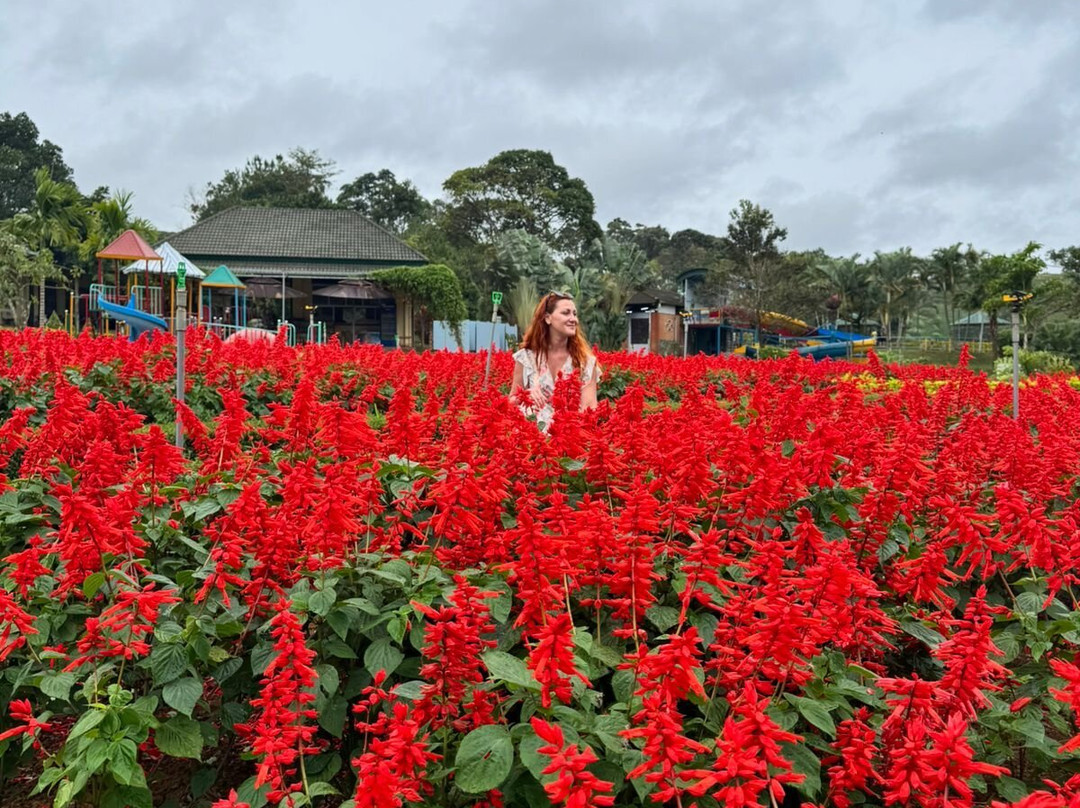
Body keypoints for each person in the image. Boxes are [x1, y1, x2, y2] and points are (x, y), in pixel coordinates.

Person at [511, 291, 600, 430]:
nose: (573, 319)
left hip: (568, 439)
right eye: (566, 313)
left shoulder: (585, 363)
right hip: (529, 438)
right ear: (548, 318)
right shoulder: (525, 358)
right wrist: (525, 395)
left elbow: (589, 410)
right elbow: (511, 402)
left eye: (575, 314)